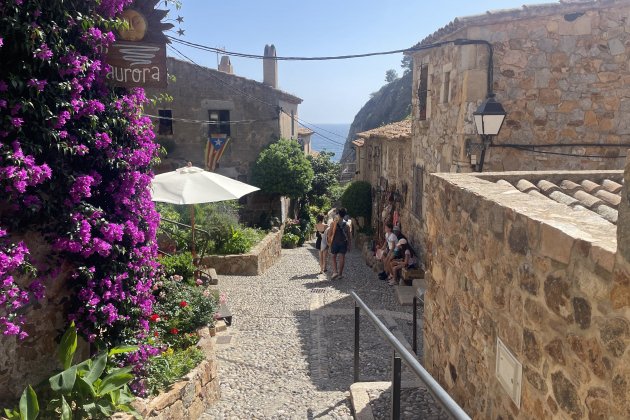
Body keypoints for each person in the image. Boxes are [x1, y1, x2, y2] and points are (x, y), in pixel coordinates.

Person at [327, 207, 352, 279]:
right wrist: (349, 245)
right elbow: (349, 236)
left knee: (333, 257)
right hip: (343, 242)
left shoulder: (333, 223)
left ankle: (335, 272)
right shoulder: (347, 225)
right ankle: (340, 274)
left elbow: (330, 233)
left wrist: (329, 242)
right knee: (342, 257)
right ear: (344, 215)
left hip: (335, 242)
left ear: (338, 214)